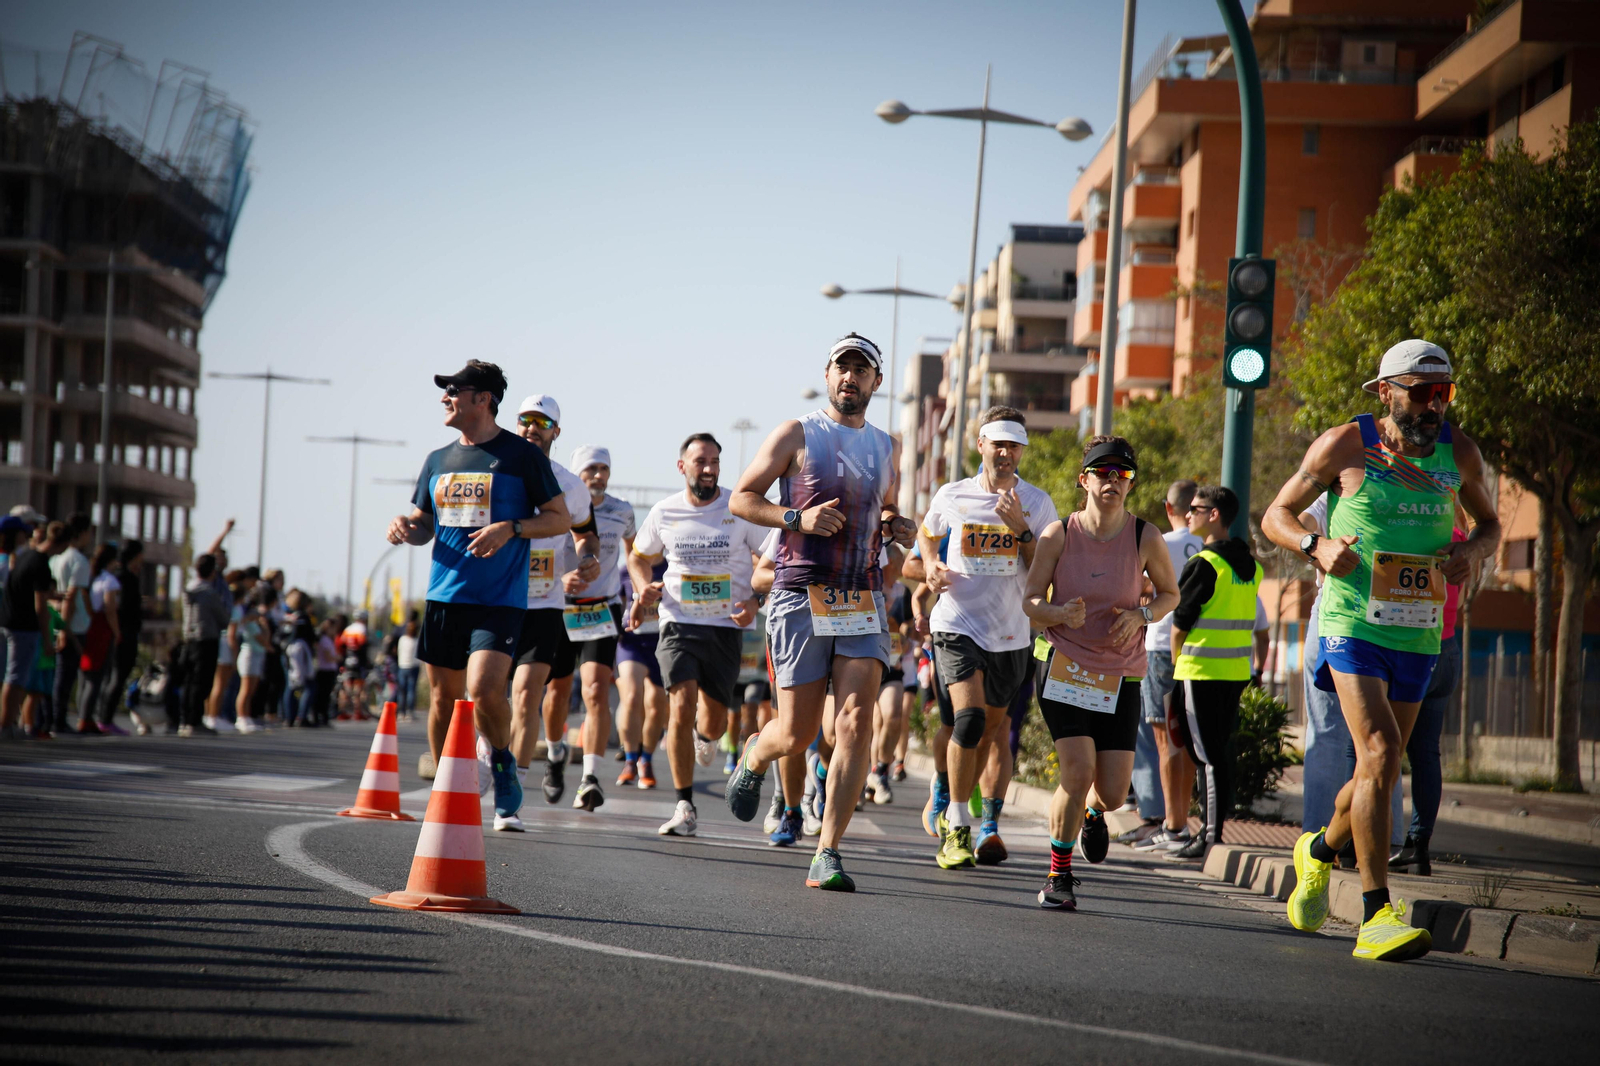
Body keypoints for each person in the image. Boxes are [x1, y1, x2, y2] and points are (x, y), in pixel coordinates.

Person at [1263, 339, 1499, 962]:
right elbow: (1276, 515)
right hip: (1351, 623)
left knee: (1379, 769)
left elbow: (1491, 524)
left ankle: (1316, 851)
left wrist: (1472, 552)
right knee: (1381, 750)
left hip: (1419, 630)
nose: (1432, 407)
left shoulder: (1460, 453)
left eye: (1442, 393)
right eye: (1419, 393)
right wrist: (1315, 549)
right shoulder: (1347, 444)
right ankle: (1375, 916)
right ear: (1384, 392)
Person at [728, 333, 915, 892]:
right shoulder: (796, 432)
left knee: (857, 723)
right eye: (842, 367)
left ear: (876, 383)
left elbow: (887, 516)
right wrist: (796, 520)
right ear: (829, 374)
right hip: (798, 593)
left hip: (860, 597)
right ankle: (758, 754)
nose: (850, 378)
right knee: (797, 731)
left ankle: (828, 850)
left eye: (861, 370)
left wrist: (898, 529)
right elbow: (742, 497)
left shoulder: (888, 446)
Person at [387, 360, 569, 834]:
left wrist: (511, 528)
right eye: (445, 392)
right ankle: (449, 790)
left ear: (483, 399)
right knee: (444, 700)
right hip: (445, 596)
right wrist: (407, 528)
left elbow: (559, 518)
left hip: (500, 599)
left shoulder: (521, 457)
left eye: (454, 391)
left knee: (486, 691)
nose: (445, 399)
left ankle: (504, 762)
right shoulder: (436, 460)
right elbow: (425, 524)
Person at [1022, 436, 1179, 909]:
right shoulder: (1058, 535)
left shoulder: (1144, 536)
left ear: (1130, 484)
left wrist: (1142, 616)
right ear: (1083, 478)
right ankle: (1058, 875)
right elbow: (1030, 604)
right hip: (1065, 667)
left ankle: (1092, 812)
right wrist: (1058, 614)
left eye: (1123, 474)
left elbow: (1169, 594)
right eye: (1103, 472)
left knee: (1110, 792)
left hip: (1121, 676)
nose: (1112, 481)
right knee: (1077, 770)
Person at [918, 407, 1059, 870]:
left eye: (1013, 445)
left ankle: (954, 805)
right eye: (997, 443)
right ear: (980, 446)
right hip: (957, 624)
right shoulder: (952, 494)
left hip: (1012, 633)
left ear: (1021, 451)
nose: (1005, 453)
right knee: (970, 720)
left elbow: (1047, 569)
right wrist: (931, 564)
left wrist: (1020, 529)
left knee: (992, 731)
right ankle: (957, 825)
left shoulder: (1037, 504)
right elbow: (926, 532)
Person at [628, 433, 765, 838]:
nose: (708, 469)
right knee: (680, 704)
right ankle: (684, 805)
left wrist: (756, 599)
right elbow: (639, 555)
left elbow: (768, 558)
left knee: (714, 722)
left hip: (725, 626)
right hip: (678, 622)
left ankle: (707, 738)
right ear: (682, 466)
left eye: (715, 462)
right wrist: (641, 589)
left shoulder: (738, 508)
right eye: (701, 461)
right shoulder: (665, 511)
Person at [498, 394, 598, 823]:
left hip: (543, 602)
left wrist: (587, 555)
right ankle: (493, 754)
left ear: (556, 431)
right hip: (494, 599)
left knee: (526, 696)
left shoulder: (569, 484)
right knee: (483, 696)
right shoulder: (495, 469)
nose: (531, 428)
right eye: (525, 420)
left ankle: (512, 792)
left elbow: (585, 533)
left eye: (542, 422)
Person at [1165, 485, 1260, 863]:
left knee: (1205, 757)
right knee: (1218, 754)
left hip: (1200, 670)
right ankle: (1212, 831)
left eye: (1196, 509)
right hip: (1235, 670)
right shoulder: (1250, 563)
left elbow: (1180, 623)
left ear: (1214, 514)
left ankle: (1209, 836)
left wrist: (1176, 666)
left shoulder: (1206, 562)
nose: (1189, 514)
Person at [1389, 522, 1470, 877]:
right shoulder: (1462, 540)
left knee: (1374, 748)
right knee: (1426, 754)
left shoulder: (1413, 530)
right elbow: (1462, 596)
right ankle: (1418, 846)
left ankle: (1349, 844)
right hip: (1449, 646)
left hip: (1412, 649)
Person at [1126, 481, 1202, 851]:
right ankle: (1178, 821)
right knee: (1185, 737)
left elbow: (1133, 586)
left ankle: (1164, 822)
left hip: (1159, 646)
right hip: (1202, 652)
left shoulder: (1160, 544)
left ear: (1168, 508)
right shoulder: (1211, 547)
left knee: (1159, 736)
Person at [563, 444, 636, 812]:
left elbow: (636, 551)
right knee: (555, 693)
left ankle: (589, 776)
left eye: (603, 469)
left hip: (602, 609)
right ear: (577, 474)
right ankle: (558, 751)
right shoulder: (560, 506)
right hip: (560, 608)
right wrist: (561, 578)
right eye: (590, 469)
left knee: (594, 690)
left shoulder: (622, 510)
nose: (598, 475)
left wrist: (639, 590)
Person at [1, 520, 68, 739]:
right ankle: (6, 724)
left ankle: (9, 723)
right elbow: (40, 606)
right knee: (17, 676)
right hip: (24, 625)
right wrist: (48, 640)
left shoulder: (25, 555)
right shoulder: (40, 563)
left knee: (13, 674)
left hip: (10, 620)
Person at [616, 556, 668, 789]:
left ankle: (645, 760)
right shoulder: (625, 569)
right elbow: (617, 601)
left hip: (662, 642)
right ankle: (630, 760)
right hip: (631, 641)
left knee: (656, 706)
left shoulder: (673, 567)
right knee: (631, 696)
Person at [177, 554, 230, 737]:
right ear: (212, 571)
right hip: (206, 640)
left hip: (189, 638)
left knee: (189, 681)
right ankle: (195, 721)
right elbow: (224, 619)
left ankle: (184, 721)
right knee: (202, 682)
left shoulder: (189, 588)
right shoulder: (208, 592)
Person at [50, 514, 93, 734]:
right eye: (89, 532)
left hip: (55, 622)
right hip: (72, 626)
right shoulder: (79, 561)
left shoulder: (57, 558)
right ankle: (58, 720)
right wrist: (66, 630)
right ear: (81, 533)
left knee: (56, 674)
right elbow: (71, 597)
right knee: (65, 676)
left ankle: (54, 718)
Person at [98, 540, 142, 732]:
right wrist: (119, 632)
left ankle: (102, 717)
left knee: (110, 677)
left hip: (118, 632)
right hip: (124, 634)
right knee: (117, 677)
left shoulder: (117, 576)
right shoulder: (126, 578)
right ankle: (105, 719)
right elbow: (118, 608)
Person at [76, 544, 121, 733]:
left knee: (84, 674)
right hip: (102, 628)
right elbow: (110, 608)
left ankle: (82, 715)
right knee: (97, 675)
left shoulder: (91, 578)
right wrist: (117, 632)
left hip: (87, 625)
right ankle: (86, 719)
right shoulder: (109, 581)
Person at [232, 587, 274, 734]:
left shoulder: (256, 623)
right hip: (249, 655)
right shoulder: (250, 623)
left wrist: (265, 628)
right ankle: (241, 717)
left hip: (257, 655)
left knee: (252, 690)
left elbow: (266, 641)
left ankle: (247, 716)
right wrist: (265, 629)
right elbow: (262, 640)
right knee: (245, 688)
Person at [395, 611, 421, 719]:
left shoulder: (402, 639)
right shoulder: (417, 641)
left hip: (402, 666)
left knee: (402, 690)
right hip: (413, 666)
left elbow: (398, 651)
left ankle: (401, 712)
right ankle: (410, 711)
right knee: (411, 690)